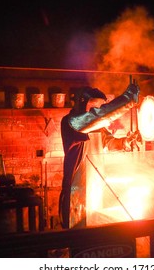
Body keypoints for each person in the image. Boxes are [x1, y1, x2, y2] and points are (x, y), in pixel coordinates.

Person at [59, 83, 140, 229]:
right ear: (82, 103)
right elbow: (98, 117)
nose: (97, 110)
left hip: (95, 187)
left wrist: (125, 142)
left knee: (96, 232)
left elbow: (109, 143)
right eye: (95, 106)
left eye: (100, 106)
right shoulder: (71, 122)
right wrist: (127, 100)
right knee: (78, 237)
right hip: (77, 191)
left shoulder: (97, 126)